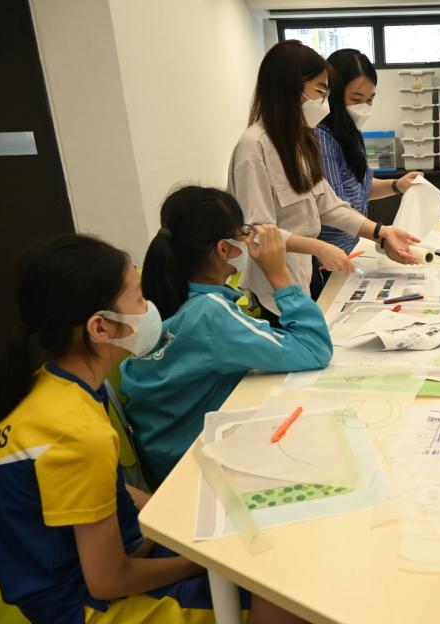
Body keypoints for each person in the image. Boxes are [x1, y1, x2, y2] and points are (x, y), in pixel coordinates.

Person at [0, 234, 296, 623]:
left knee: (264, 556)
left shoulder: (55, 386)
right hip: (85, 606)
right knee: (282, 594)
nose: (149, 308)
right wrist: (202, 560)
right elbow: (108, 581)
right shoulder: (78, 432)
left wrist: (172, 518)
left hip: (87, 568)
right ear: (101, 327)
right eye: (139, 298)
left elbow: (107, 487)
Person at [120, 186, 334, 485]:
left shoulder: (168, 290)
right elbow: (314, 350)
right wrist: (278, 272)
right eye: (243, 233)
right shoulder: (210, 313)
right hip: (190, 472)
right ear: (224, 249)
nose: (248, 239)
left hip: (163, 454)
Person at [228, 40, 419, 320]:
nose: (324, 102)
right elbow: (255, 232)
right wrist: (318, 246)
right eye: (319, 90)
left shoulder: (299, 142)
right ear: (289, 88)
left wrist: (380, 232)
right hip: (273, 288)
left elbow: (328, 204)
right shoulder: (253, 148)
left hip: (306, 272)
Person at [315, 48, 422, 257]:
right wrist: (382, 235)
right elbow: (335, 208)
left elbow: (359, 189)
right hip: (327, 253)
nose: (364, 107)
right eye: (356, 99)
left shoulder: (351, 133)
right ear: (333, 94)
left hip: (350, 246)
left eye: (370, 99)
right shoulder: (321, 137)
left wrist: (397, 185)